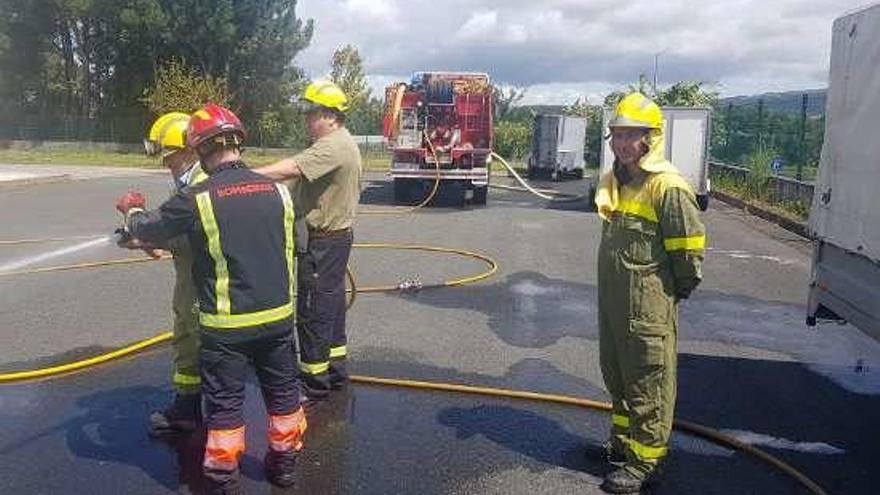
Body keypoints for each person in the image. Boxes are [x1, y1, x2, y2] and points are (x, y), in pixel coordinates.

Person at [115, 103, 306, 493]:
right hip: (279, 320)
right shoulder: (279, 192)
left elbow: (150, 227)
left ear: (200, 149)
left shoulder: (198, 197)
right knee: (284, 396)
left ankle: (222, 481)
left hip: (226, 328)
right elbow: (298, 244)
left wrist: (132, 208)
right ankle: (284, 468)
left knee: (225, 408)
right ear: (239, 142)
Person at [594, 92, 706, 494]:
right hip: (615, 305)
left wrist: (668, 296)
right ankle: (622, 447)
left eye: (632, 135)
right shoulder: (619, 182)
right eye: (617, 135)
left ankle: (647, 463)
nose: (623, 143)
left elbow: (688, 256)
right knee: (619, 377)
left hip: (647, 309)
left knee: (648, 384)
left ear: (651, 138)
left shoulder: (667, 187)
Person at [255, 80, 362, 402]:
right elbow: (294, 184)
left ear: (330, 115)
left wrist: (240, 178)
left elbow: (290, 169)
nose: (306, 119)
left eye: (312, 113)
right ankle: (334, 369)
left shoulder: (332, 146)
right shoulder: (340, 143)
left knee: (314, 309)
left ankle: (313, 381)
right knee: (331, 307)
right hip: (333, 240)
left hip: (323, 242)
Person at [121, 112, 208, 437]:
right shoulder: (183, 189)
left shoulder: (200, 187)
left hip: (204, 284)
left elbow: (182, 237)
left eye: (169, 156)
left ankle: (221, 425)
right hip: (187, 285)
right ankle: (186, 410)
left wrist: (136, 219)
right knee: (186, 343)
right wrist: (139, 241)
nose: (165, 163)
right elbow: (164, 246)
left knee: (206, 348)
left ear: (190, 150)